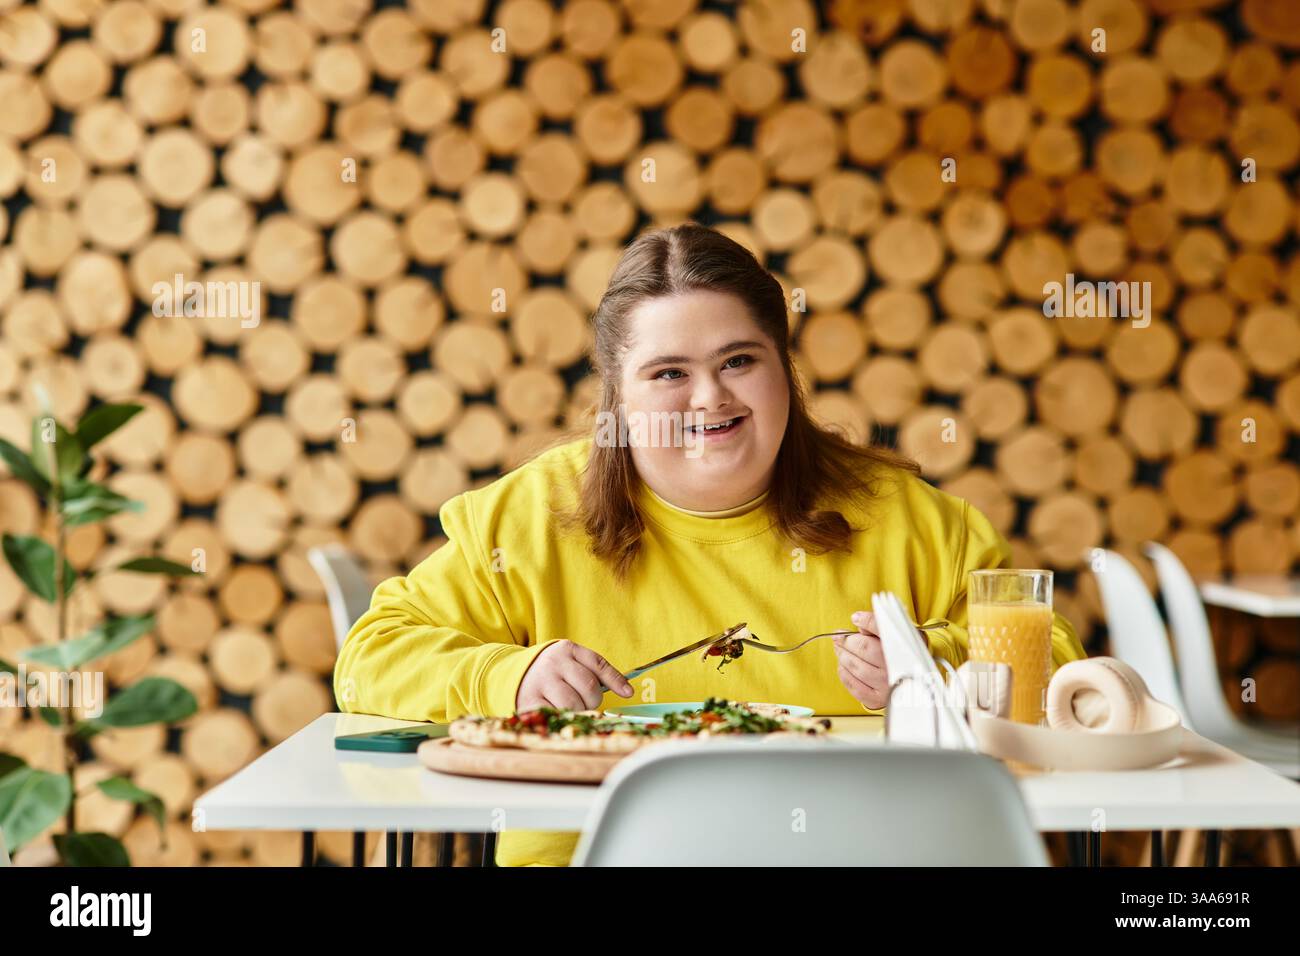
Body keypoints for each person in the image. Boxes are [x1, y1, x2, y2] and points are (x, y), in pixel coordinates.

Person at [333, 223, 1087, 866]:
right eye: (668, 373)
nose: (710, 398)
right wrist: (510, 678)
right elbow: (370, 659)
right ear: (618, 397)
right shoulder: (527, 520)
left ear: (783, 371)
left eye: (739, 361)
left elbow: (1059, 664)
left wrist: (936, 668)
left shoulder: (911, 520)